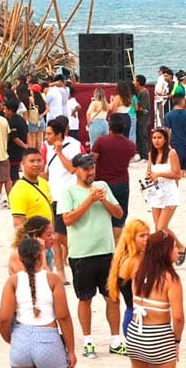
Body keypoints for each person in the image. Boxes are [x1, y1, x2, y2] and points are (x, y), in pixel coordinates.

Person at [58, 153, 125, 358]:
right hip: (81, 254)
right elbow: (67, 219)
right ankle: (88, 341)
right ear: (76, 171)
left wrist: (103, 200)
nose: (90, 172)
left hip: (106, 252)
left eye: (92, 168)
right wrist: (90, 200)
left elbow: (119, 213)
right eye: (86, 169)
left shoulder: (103, 186)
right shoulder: (68, 191)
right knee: (85, 298)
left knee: (112, 297)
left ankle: (115, 340)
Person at [0, 238, 76, 368]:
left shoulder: (13, 281)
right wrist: (71, 350)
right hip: (48, 340)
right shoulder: (53, 279)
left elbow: (3, 319)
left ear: (21, 259)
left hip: (21, 339)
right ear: (41, 256)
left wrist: (11, 339)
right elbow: (63, 317)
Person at [125, 230, 185, 368]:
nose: (178, 250)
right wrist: (177, 341)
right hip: (158, 337)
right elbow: (178, 318)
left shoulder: (138, 272)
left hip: (134, 334)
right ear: (164, 251)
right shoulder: (171, 279)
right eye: (174, 247)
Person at [42, 118, 81, 284]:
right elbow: (48, 172)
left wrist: (59, 152)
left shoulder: (73, 145)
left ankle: (79, 254)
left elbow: (73, 169)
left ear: (59, 134)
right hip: (54, 195)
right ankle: (60, 271)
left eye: (49, 134)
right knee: (55, 236)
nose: (46, 137)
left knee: (60, 236)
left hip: (68, 196)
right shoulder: (47, 147)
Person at [145, 128, 186, 264]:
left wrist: (160, 174)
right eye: (154, 138)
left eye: (159, 138)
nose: (156, 141)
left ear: (165, 139)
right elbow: (148, 173)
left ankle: (180, 246)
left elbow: (178, 174)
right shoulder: (151, 154)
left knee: (162, 226)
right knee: (157, 229)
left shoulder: (171, 153)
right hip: (156, 194)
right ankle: (163, 254)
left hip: (169, 194)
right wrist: (146, 183)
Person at [91, 113, 136, 240]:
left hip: (102, 182)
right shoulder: (130, 145)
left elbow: (92, 160)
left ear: (110, 126)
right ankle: (117, 244)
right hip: (122, 182)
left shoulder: (101, 142)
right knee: (119, 217)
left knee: (101, 214)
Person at [107, 219, 149, 337]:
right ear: (131, 238)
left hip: (133, 314)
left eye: (148, 235)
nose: (146, 239)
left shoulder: (126, 259)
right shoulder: (132, 262)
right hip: (137, 317)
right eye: (142, 236)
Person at [164, 94, 186, 189]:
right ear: (182, 102)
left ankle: (176, 187)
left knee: (175, 167)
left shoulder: (168, 115)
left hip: (175, 143)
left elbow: (167, 131)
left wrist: (167, 143)